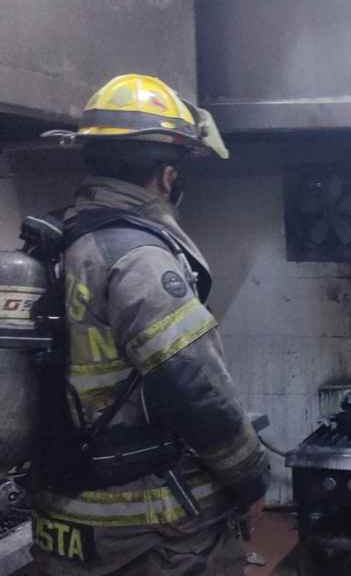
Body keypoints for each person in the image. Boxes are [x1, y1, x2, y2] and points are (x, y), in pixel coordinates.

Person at [31, 74, 269, 575]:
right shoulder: (139, 258)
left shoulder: (54, 247)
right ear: (165, 176)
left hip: (64, 518)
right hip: (149, 533)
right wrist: (251, 477)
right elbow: (193, 385)